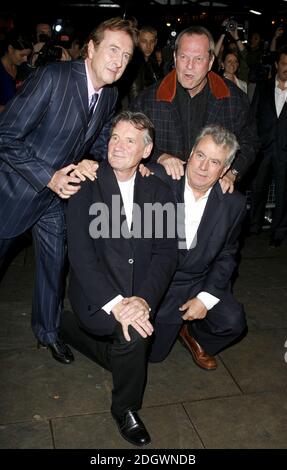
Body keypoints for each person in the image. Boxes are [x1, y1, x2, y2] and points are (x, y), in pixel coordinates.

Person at [0, 17, 138, 365]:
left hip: (53, 199)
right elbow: (6, 136)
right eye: (112, 49)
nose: (118, 61)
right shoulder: (53, 78)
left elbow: (102, 137)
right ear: (90, 48)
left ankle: (47, 331)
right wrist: (49, 177)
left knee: (54, 263)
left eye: (126, 55)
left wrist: (134, 160)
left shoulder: (110, 94)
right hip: (13, 192)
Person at [61, 111, 178, 446]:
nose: (118, 145)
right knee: (135, 335)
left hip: (139, 294)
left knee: (134, 340)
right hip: (97, 298)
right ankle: (125, 408)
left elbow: (166, 254)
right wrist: (118, 305)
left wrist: (142, 299)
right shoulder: (87, 185)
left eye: (130, 140)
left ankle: (66, 328)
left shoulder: (159, 190)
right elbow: (81, 257)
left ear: (146, 150)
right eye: (115, 137)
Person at [147, 124, 247, 370]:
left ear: (224, 170)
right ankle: (174, 326)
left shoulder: (233, 203)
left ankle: (195, 335)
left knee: (233, 321)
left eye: (214, 162)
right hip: (159, 282)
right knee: (153, 356)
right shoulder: (158, 179)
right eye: (200, 155)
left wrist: (204, 298)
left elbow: (227, 256)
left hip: (198, 279)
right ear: (190, 153)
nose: (203, 167)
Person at [131, 25, 257, 194]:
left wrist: (232, 172)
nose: (189, 66)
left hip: (211, 196)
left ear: (211, 61)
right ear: (175, 57)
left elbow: (250, 141)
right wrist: (160, 156)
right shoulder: (148, 100)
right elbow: (131, 142)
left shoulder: (233, 99)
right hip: (162, 194)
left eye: (198, 59)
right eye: (184, 57)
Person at [249, 46, 287, 247]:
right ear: (276, 65)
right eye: (283, 64)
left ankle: (278, 231)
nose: (286, 68)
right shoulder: (263, 87)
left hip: (284, 150)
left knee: (283, 192)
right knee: (258, 188)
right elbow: (253, 117)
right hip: (263, 148)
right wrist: (255, 144)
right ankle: (254, 225)